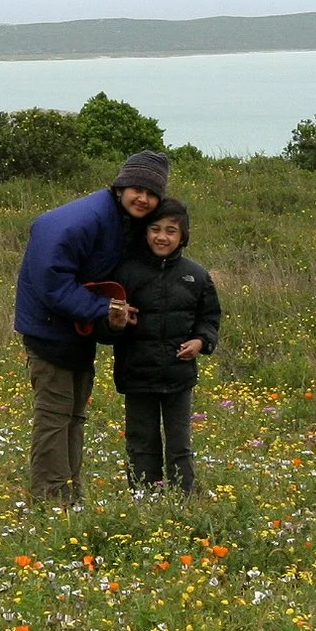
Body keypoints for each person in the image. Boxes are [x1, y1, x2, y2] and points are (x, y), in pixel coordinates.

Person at [15, 150, 169, 505]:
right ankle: (50, 499)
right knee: (55, 415)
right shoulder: (82, 220)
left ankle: (70, 494)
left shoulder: (119, 220)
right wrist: (104, 308)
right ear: (120, 187)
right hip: (49, 329)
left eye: (152, 193)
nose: (143, 198)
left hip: (73, 329)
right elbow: (52, 280)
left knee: (74, 414)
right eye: (137, 189)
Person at [111, 197, 220, 494]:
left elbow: (209, 318)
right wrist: (116, 321)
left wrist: (201, 341)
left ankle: (184, 499)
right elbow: (109, 324)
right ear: (144, 232)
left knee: (179, 445)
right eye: (155, 229)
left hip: (178, 375)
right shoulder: (126, 273)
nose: (162, 237)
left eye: (171, 231)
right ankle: (145, 498)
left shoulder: (196, 276)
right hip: (136, 374)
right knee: (140, 442)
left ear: (182, 236)